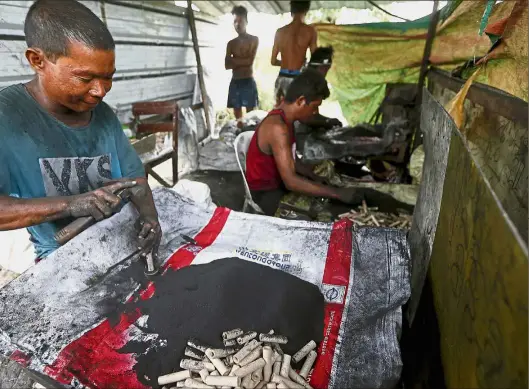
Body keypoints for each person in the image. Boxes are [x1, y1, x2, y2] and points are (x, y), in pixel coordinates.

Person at [0, 0, 162, 261]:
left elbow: (136, 179)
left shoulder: (103, 113)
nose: (100, 91)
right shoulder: (7, 116)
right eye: (85, 78)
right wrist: (70, 204)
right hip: (63, 259)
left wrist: (149, 218)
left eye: (108, 76)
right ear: (37, 60)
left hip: (118, 242)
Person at [246, 68, 378, 216]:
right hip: (267, 196)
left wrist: (312, 176)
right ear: (301, 101)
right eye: (315, 106)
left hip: (277, 185)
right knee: (328, 214)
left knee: (322, 184)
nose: (315, 112)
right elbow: (291, 182)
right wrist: (337, 193)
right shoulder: (278, 128)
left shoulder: (283, 118)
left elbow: (288, 161)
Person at [271, 1, 317, 106]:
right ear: (306, 10)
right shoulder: (310, 31)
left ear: (291, 11)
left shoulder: (280, 32)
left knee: (281, 115)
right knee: (299, 117)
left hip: (282, 78)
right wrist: (304, 65)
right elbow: (315, 60)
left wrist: (286, 62)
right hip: (298, 79)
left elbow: (273, 61)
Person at [225, 6, 259, 129]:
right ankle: (240, 135)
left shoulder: (254, 40)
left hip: (248, 80)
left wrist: (234, 60)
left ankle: (251, 139)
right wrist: (243, 60)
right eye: (235, 21)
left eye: (240, 21)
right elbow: (227, 65)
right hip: (235, 81)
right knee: (238, 120)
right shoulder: (231, 43)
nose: (237, 24)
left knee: (251, 117)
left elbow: (250, 62)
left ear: (246, 22)